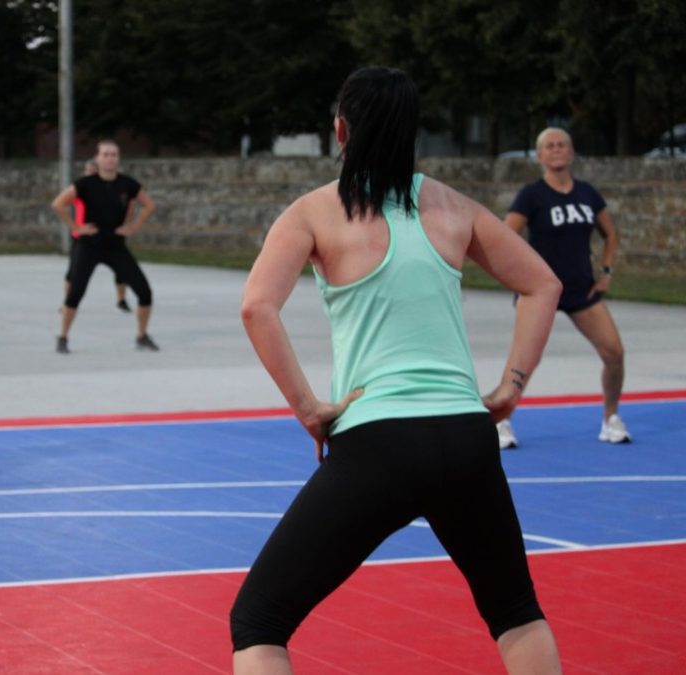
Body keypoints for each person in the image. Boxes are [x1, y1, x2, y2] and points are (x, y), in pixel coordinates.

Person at [230, 67, 563, 674]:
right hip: (466, 437)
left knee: (259, 622)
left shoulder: (314, 212)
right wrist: (510, 389)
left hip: (379, 442)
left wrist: (310, 409)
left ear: (340, 130)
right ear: (414, 132)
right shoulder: (453, 207)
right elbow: (543, 283)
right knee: (514, 611)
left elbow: (257, 307)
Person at [496, 127, 630, 449]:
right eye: (549, 146)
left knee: (614, 352)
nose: (557, 150)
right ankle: (501, 421)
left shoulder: (586, 193)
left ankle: (610, 418)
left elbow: (610, 234)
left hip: (581, 289)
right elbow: (503, 237)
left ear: (571, 153)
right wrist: (522, 278)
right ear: (540, 156)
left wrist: (606, 272)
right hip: (540, 293)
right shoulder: (532, 195)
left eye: (562, 145)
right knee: (526, 359)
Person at [50, 140, 158, 354]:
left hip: (115, 246)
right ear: (98, 158)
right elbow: (58, 204)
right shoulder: (85, 183)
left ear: (118, 159)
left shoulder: (127, 184)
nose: (110, 158)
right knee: (75, 293)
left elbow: (149, 205)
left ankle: (142, 336)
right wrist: (76, 228)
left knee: (144, 292)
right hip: (89, 246)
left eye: (114, 154)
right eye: (106, 154)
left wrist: (133, 226)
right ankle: (62, 337)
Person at [63, 158, 132, 312]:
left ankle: (121, 300)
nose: (91, 173)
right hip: (82, 238)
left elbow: (126, 204)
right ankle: (67, 302)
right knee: (73, 273)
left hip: (110, 237)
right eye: (89, 171)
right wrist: (76, 227)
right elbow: (61, 203)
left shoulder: (110, 189)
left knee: (122, 271)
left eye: (95, 170)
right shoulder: (79, 190)